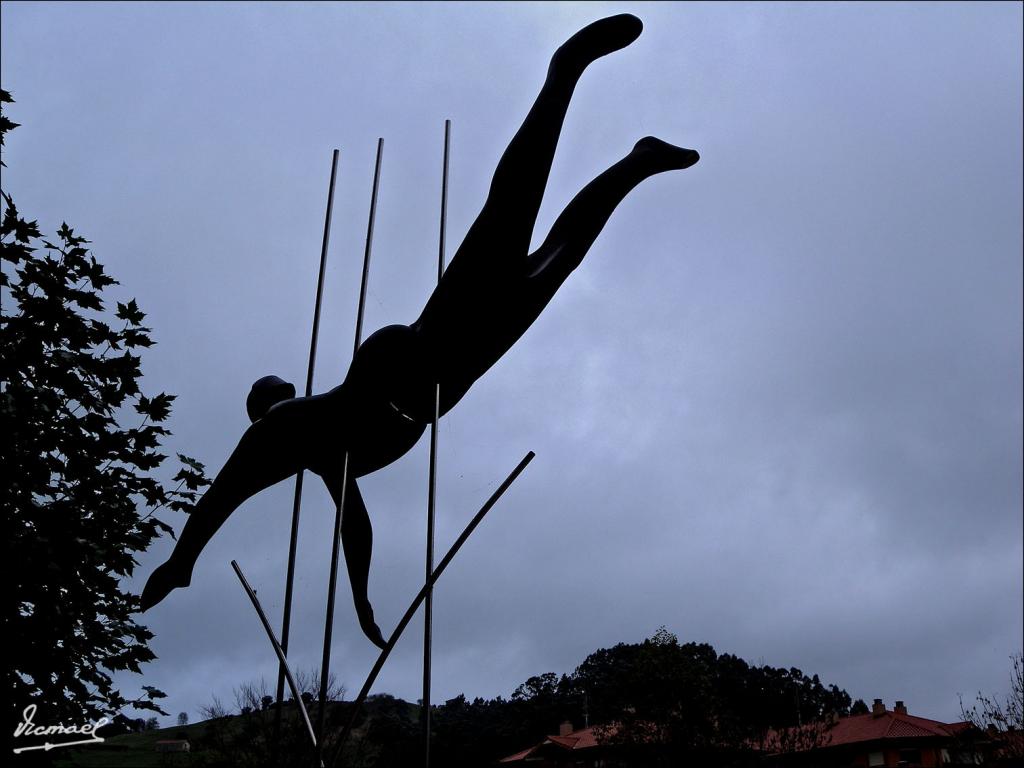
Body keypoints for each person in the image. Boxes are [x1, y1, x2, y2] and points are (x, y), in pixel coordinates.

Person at [140, 13, 700, 648]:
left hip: (421, 357)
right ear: (266, 402)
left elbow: (229, 496)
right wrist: (360, 600)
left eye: (281, 387)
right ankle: (637, 163)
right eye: (277, 387)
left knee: (513, 212)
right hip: (444, 375)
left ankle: (565, 70)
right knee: (557, 257)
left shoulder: (295, 430)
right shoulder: (316, 451)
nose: (285, 387)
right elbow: (340, 523)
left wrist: (185, 562)